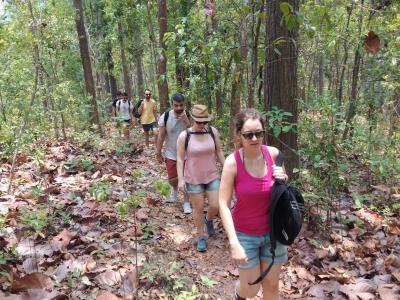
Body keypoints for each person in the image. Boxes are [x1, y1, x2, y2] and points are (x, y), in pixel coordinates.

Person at [219, 108, 289, 300]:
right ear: (239, 135)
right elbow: (223, 204)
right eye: (248, 135)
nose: (254, 139)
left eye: (259, 133)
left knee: (272, 286)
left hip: (274, 232)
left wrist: (283, 178)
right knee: (251, 289)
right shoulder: (232, 163)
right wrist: (233, 242)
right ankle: (238, 293)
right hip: (245, 234)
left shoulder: (274, 155)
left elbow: (282, 192)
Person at [176, 104, 225, 252]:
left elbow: (219, 151)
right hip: (193, 178)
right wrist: (180, 179)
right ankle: (201, 236)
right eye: (199, 122)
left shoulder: (212, 132)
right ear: (192, 119)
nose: (202, 125)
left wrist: (228, 168)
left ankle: (208, 220)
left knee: (216, 205)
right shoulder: (185, 136)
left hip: (212, 175)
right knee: (198, 208)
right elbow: (179, 158)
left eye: (204, 122)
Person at [156, 93, 192, 214]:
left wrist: (187, 121)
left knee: (186, 178)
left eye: (181, 105)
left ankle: (186, 202)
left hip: (186, 153)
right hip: (171, 152)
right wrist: (158, 152)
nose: (178, 108)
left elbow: (194, 132)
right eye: (176, 105)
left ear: (184, 104)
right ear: (172, 104)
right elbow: (161, 136)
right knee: (172, 178)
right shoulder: (165, 116)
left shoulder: (188, 115)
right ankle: (174, 190)